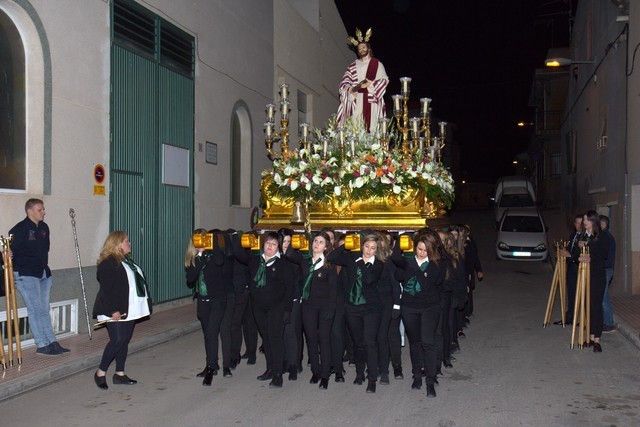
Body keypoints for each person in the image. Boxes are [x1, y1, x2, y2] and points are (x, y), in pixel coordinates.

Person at [233, 231, 295, 388]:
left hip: (277, 307)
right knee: (266, 339)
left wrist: (288, 310)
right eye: (268, 243)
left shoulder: (283, 264)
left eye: (274, 244)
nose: (270, 246)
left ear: (279, 247)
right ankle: (270, 369)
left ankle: (278, 375)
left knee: (275, 339)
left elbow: (289, 288)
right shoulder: (255, 261)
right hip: (258, 307)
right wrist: (237, 237)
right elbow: (238, 253)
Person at [329, 232, 388, 393]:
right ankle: (360, 373)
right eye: (366, 246)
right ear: (362, 245)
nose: (369, 250)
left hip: (371, 308)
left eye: (373, 248)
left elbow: (369, 280)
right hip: (352, 307)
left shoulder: (378, 264)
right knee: (358, 343)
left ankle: (372, 378)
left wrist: (360, 261)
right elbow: (332, 258)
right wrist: (345, 245)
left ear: (377, 250)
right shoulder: (351, 257)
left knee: (370, 342)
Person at [9, 198, 69, 356]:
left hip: (43, 273)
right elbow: (8, 251)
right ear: (30, 212)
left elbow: (45, 249)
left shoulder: (44, 227)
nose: (43, 212)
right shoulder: (19, 230)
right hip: (26, 274)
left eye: (43, 209)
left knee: (44, 309)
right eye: (40, 210)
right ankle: (42, 344)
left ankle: (52, 342)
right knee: (35, 309)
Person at [392, 229, 447, 398]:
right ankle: (417, 375)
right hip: (409, 306)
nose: (422, 253)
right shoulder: (408, 261)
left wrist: (416, 267)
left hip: (430, 306)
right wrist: (401, 240)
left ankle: (430, 380)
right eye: (419, 249)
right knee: (415, 342)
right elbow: (398, 273)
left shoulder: (438, 263)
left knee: (428, 342)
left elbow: (430, 283)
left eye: (426, 250)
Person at [93, 231, 151, 389]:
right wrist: (113, 310)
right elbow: (106, 289)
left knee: (124, 339)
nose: (129, 243)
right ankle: (100, 372)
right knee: (118, 339)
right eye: (126, 241)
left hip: (130, 308)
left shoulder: (126, 261)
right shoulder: (108, 262)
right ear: (117, 244)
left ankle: (120, 373)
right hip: (114, 309)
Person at [185, 229, 233, 386]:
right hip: (203, 301)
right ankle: (211, 364)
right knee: (208, 335)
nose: (201, 242)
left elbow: (220, 262)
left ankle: (211, 368)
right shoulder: (193, 259)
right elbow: (190, 278)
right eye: (198, 239)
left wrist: (212, 246)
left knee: (212, 333)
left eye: (203, 239)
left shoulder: (214, 255)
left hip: (218, 300)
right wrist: (199, 257)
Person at [290, 232, 338, 390]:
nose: (317, 244)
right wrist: (301, 237)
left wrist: (331, 308)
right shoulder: (305, 262)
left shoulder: (329, 264)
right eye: (315, 241)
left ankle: (325, 375)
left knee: (323, 339)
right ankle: (315, 371)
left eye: (321, 242)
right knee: (311, 338)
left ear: (326, 246)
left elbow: (333, 289)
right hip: (308, 306)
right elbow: (289, 253)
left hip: (325, 307)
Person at [337, 28, 389, 133]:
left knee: (372, 127)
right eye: (359, 49)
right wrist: (351, 90)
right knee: (356, 127)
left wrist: (371, 85)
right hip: (357, 100)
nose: (361, 50)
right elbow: (344, 83)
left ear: (368, 48)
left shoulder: (377, 64)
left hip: (371, 100)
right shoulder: (352, 66)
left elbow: (384, 80)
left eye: (363, 47)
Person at [579, 210, 610, 352]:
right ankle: (590, 337)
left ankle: (597, 339)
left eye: (587, 219)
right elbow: (576, 253)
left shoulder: (602, 236)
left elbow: (604, 255)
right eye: (584, 219)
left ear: (594, 221)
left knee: (596, 306)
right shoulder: (584, 235)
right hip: (586, 274)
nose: (585, 222)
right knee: (588, 306)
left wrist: (590, 257)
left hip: (597, 275)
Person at [555, 214, 583, 325]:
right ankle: (569, 317)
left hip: (580, 268)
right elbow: (569, 249)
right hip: (571, 269)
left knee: (580, 295)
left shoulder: (585, 237)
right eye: (577, 223)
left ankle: (580, 319)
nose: (579, 225)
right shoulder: (573, 235)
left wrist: (570, 256)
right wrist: (562, 252)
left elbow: (582, 254)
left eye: (581, 223)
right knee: (571, 294)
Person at [599, 215, 617, 332]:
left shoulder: (605, 237)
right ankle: (606, 321)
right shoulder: (605, 236)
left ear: (603, 224)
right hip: (606, 269)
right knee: (602, 295)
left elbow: (603, 255)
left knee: (603, 296)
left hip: (606, 269)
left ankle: (609, 323)